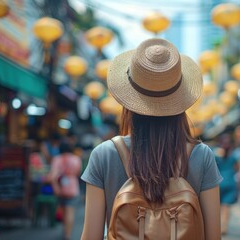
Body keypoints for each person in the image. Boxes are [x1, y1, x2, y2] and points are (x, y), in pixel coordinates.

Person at [80, 38, 222, 240]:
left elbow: (91, 236)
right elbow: (213, 237)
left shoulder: (104, 155)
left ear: (129, 101)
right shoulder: (202, 156)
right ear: (179, 102)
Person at [50, 142, 82, 240]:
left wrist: (55, 188)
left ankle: (65, 231)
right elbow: (78, 173)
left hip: (60, 188)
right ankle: (68, 235)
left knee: (63, 211)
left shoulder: (56, 159)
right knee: (70, 211)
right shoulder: (76, 159)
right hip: (72, 187)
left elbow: (53, 176)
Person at [215, 133, 237, 235]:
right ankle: (224, 227)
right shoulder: (234, 155)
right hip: (231, 182)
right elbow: (238, 169)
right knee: (226, 206)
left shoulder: (216, 154)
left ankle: (218, 225)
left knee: (218, 206)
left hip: (219, 182)